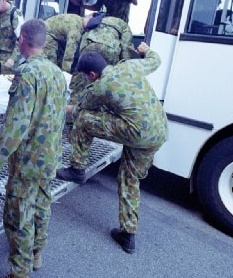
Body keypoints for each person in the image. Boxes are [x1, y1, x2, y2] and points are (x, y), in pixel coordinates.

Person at [0, 19, 67, 278]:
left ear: (23, 40)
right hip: (50, 155)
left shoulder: (26, 75)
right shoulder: (56, 73)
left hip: (28, 160)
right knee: (42, 205)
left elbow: (15, 127)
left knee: (18, 216)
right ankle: (36, 253)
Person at [56, 43, 168, 254]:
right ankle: (128, 235)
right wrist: (145, 50)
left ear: (92, 74)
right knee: (130, 179)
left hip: (136, 132)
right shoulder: (131, 66)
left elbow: (80, 108)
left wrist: (64, 109)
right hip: (159, 131)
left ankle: (77, 169)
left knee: (83, 120)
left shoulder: (100, 87)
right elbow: (156, 60)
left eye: (87, 77)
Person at [68, 13, 135, 106]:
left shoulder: (98, 19)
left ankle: (72, 112)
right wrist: (125, 69)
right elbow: (126, 47)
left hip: (89, 44)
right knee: (107, 81)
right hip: (110, 48)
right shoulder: (123, 25)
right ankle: (100, 108)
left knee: (82, 80)